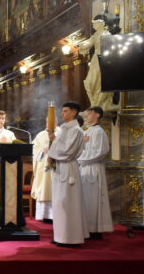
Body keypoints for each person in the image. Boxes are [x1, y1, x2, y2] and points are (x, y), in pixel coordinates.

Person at [47, 102, 88, 246]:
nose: (62, 113)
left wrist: (52, 151)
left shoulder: (76, 130)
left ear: (74, 112)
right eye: (62, 111)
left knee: (68, 203)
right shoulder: (64, 129)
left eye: (65, 111)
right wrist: (53, 140)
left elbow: (67, 151)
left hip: (68, 168)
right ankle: (60, 236)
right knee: (59, 203)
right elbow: (59, 147)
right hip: (60, 167)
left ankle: (70, 238)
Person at [78, 106, 113, 239]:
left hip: (93, 169)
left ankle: (94, 230)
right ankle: (86, 228)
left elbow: (99, 152)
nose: (87, 116)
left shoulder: (99, 132)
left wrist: (78, 157)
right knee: (85, 200)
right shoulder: (86, 131)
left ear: (97, 115)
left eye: (90, 114)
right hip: (83, 168)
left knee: (93, 199)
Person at [31, 124, 61, 223]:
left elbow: (65, 147)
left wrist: (53, 151)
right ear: (46, 123)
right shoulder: (41, 135)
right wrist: (42, 151)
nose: (50, 123)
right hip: (44, 166)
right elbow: (34, 149)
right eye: (48, 121)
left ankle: (57, 214)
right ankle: (45, 215)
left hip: (58, 166)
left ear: (56, 121)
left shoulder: (61, 133)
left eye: (53, 121)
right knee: (45, 187)